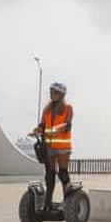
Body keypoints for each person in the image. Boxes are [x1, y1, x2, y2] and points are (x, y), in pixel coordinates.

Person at [30, 82, 74, 210]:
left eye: (54, 92)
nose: (52, 94)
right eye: (51, 92)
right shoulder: (47, 110)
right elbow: (42, 126)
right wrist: (37, 130)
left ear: (61, 95)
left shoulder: (68, 108)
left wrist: (57, 129)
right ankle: (47, 204)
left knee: (63, 174)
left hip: (63, 147)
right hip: (49, 146)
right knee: (49, 175)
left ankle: (67, 202)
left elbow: (67, 125)